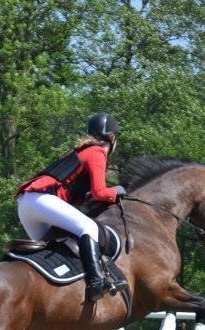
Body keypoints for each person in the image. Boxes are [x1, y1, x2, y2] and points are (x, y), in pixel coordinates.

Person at [15, 113, 126, 301]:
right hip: (42, 200)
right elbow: (100, 192)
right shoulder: (97, 152)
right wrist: (118, 191)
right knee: (89, 228)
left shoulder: (82, 151)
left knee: (50, 250)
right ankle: (96, 283)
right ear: (113, 137)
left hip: (27, 203)